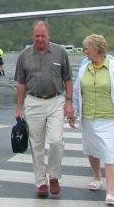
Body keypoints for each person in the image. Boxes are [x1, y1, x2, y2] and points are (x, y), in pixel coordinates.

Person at [70, 34, 114, 206]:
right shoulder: (85, 68)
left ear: (97, 49)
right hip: (88, 116)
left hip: (109, 118)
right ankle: (97, 176)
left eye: (87, 48)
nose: (85, 51)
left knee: (111, 152)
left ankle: (110, 191)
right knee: (91, 149)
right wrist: (74, 112)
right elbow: (78, 91)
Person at [15, 21, 74, 197]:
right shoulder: (24, 55)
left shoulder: (60, 53)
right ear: (32, 36)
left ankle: (54, 175)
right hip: (33, 102)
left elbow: (68, 79)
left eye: (43, 36)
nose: (40, 39)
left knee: (56, 141)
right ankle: (41, 182)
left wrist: (69, 102)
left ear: (49, 36)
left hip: (56, 100)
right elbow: (21, 84)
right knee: (37, 145)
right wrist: (19, 107)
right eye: (37, 36)